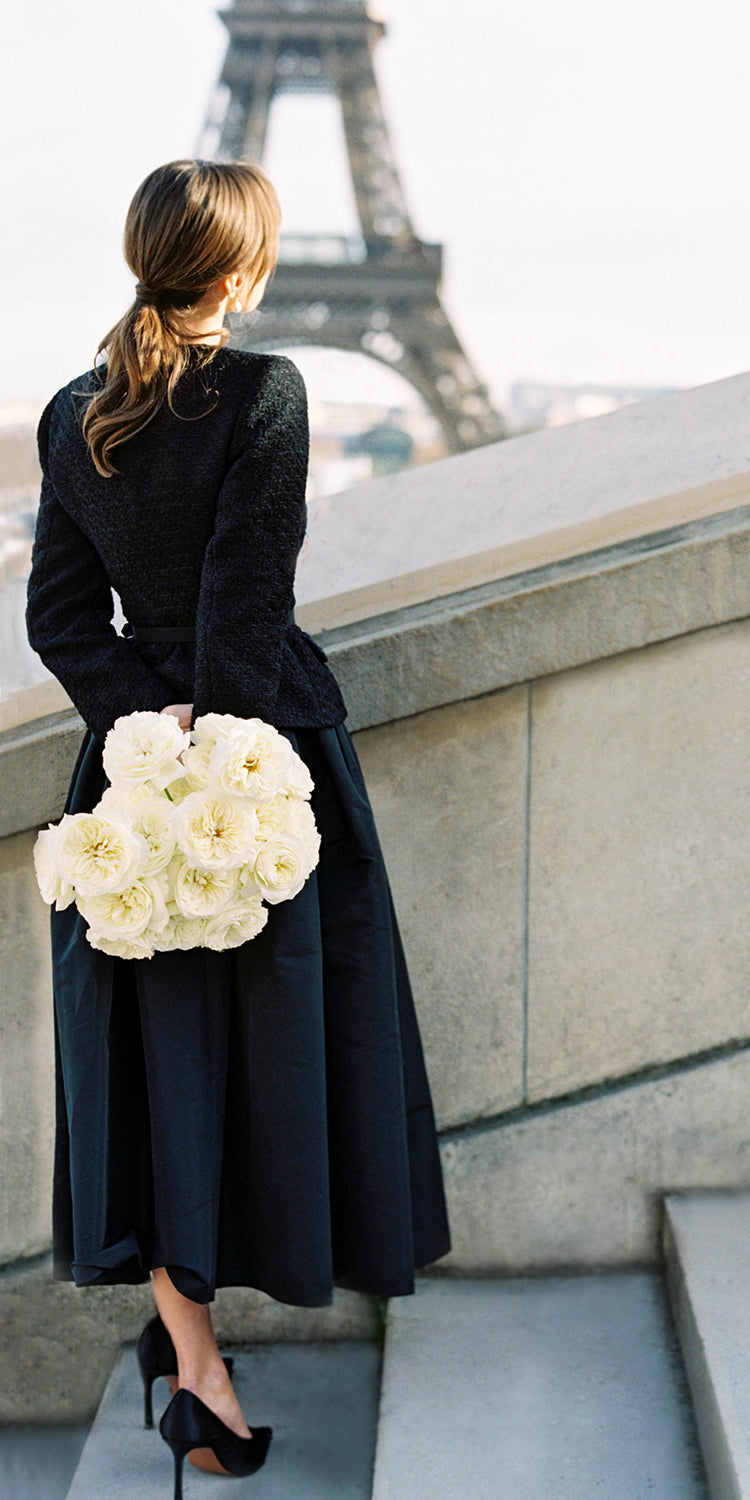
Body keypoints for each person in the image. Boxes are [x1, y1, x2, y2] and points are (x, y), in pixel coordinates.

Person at [25, 159, 451, 1496]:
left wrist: (145, 742)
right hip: (264, 761)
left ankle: (193, 1364)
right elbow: (246, 597)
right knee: (285, 1041)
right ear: (250, 268)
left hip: (127, 777)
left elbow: (56, 620)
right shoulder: (267, 390)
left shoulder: (67, 411)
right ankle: (210, 1355)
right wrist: (221, 752)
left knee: (148, 1071)